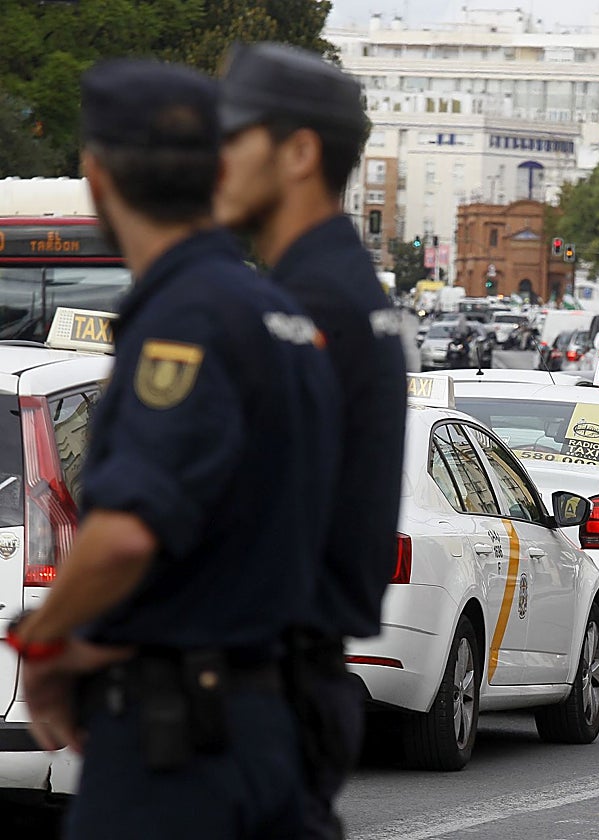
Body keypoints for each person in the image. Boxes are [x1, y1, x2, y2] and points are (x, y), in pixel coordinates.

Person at [7, 60, 339, 839]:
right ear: (221, 170)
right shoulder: (287, 322)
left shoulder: (181, 323)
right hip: (276, 728)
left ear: (97, 174)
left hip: (180, 751)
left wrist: (49, 639)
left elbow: (127, 530)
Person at [215, 42, 408, 839]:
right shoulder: (344, 292)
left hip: (262, 691)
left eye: (235, 136)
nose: (216, 157)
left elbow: (247, 523)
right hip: (295, 682)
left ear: (297, 152)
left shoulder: (305, 308)